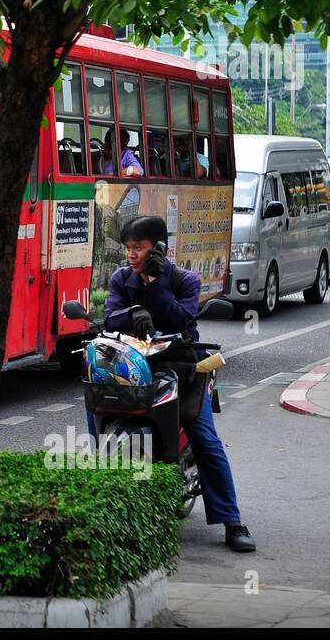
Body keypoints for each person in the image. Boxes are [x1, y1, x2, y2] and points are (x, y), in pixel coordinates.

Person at [101, 215, 256, 553]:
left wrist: (155, 284)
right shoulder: (120, 279)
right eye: (127, 248)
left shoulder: (186, 280)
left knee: (206, 439)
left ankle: (232, 521)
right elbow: (109, 316)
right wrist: (134, 312)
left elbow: (180, 319)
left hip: (180, 367)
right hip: (132, 368)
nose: (131, 255)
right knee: (97, 409)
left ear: (158, 248)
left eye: (138, 248)